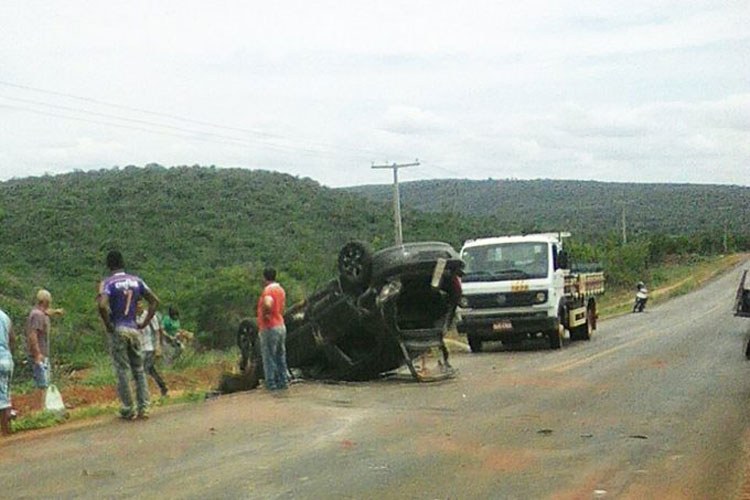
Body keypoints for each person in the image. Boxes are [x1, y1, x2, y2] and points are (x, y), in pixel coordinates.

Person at [97, 250, 160, 420]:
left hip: (119, 328)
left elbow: (102, 306)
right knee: (139, 369)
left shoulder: (107, 283)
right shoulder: (136, 280)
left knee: (122, 370)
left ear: (109, 265)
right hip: (134, 328)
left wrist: (108, 325)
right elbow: (154, 301)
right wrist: (145, 322)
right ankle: (144, 407)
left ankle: (128, 408)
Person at [25, 289, 64, 411]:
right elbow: (33, 335)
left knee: (45, 382)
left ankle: (44, 408)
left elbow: (46, 312)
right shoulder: (37, 315)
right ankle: (38, 410)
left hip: (43, 354)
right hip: (39, 354)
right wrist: (37, 354)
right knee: (41, 384)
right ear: (45, 301)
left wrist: (56, 312)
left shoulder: (41, 313)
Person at [256, 267, 288, 391]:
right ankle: (283, 382)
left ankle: (271, 384)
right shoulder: (280, 290)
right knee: (281, 356)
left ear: (265, 278)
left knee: (268, 356)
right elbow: (282, 307)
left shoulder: (268, 291)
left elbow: (268, 303)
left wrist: (266, 315)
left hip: (269, 327)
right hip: (280, 325)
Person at [136, 302, 168, 397]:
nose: (138, 306)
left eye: (139, 304)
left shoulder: (149, 316)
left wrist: (158, 346)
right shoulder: (132, 317)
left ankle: (143, 393)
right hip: (138, 347)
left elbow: (157, 331)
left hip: (149, 347)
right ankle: (162, 386)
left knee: (142, 370)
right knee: (150, 369)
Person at [0, 307, 15, 435]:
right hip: (6, 359)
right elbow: (12, 339)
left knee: (2, 397)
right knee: (6, 394)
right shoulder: (5, 317)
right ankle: (7, 427)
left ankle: (5, 429)